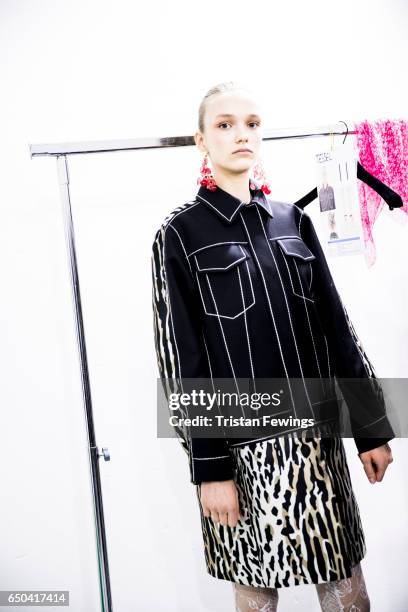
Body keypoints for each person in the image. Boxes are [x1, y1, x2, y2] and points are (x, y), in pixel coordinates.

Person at [151, 81, 394, 611]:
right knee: (257, 593)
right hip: (242, 454)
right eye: (225, 124)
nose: (242, 134)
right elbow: (181, 360)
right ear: (201, 140)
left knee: (348, 590)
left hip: (319, 444)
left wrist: (370, 427)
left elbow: (338, 329)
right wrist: (210, 467)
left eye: (252, 124)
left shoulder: (293, 220)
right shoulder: (180, 235)